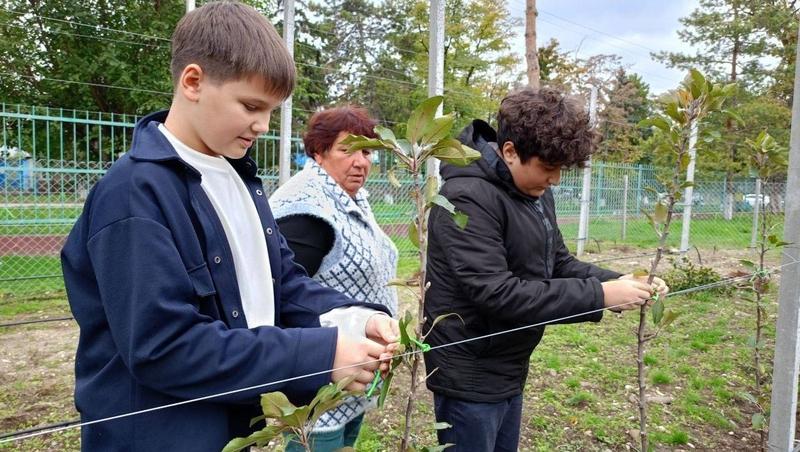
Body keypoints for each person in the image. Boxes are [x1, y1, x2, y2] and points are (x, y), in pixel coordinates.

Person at [60, 3, 398, 451]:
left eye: (272, 110)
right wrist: (320, 355)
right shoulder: (134, 195)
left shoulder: (239, 178)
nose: (262, 125)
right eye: (251, 106)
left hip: (228, 431)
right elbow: (164, 346)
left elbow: (284, 282)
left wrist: (355, 319)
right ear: (193, 82)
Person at [422, 87, 668, 451]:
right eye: (548, 169)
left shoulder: (532, 190)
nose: (555, 180)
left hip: (507, 363)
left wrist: (619, 282)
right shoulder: (467, 198)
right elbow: (498, 294)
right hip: (469, 371)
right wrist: (600, 296)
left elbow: (557, 262)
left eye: (560, 170)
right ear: (509, 152)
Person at [270, 106, 399, 451]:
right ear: (319, 151)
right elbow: (285, 298)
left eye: (368, 151)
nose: (361, 162)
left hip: (353, 376)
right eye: (347, 149)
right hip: (321, 388)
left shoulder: (348, 197)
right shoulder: (307, 210)